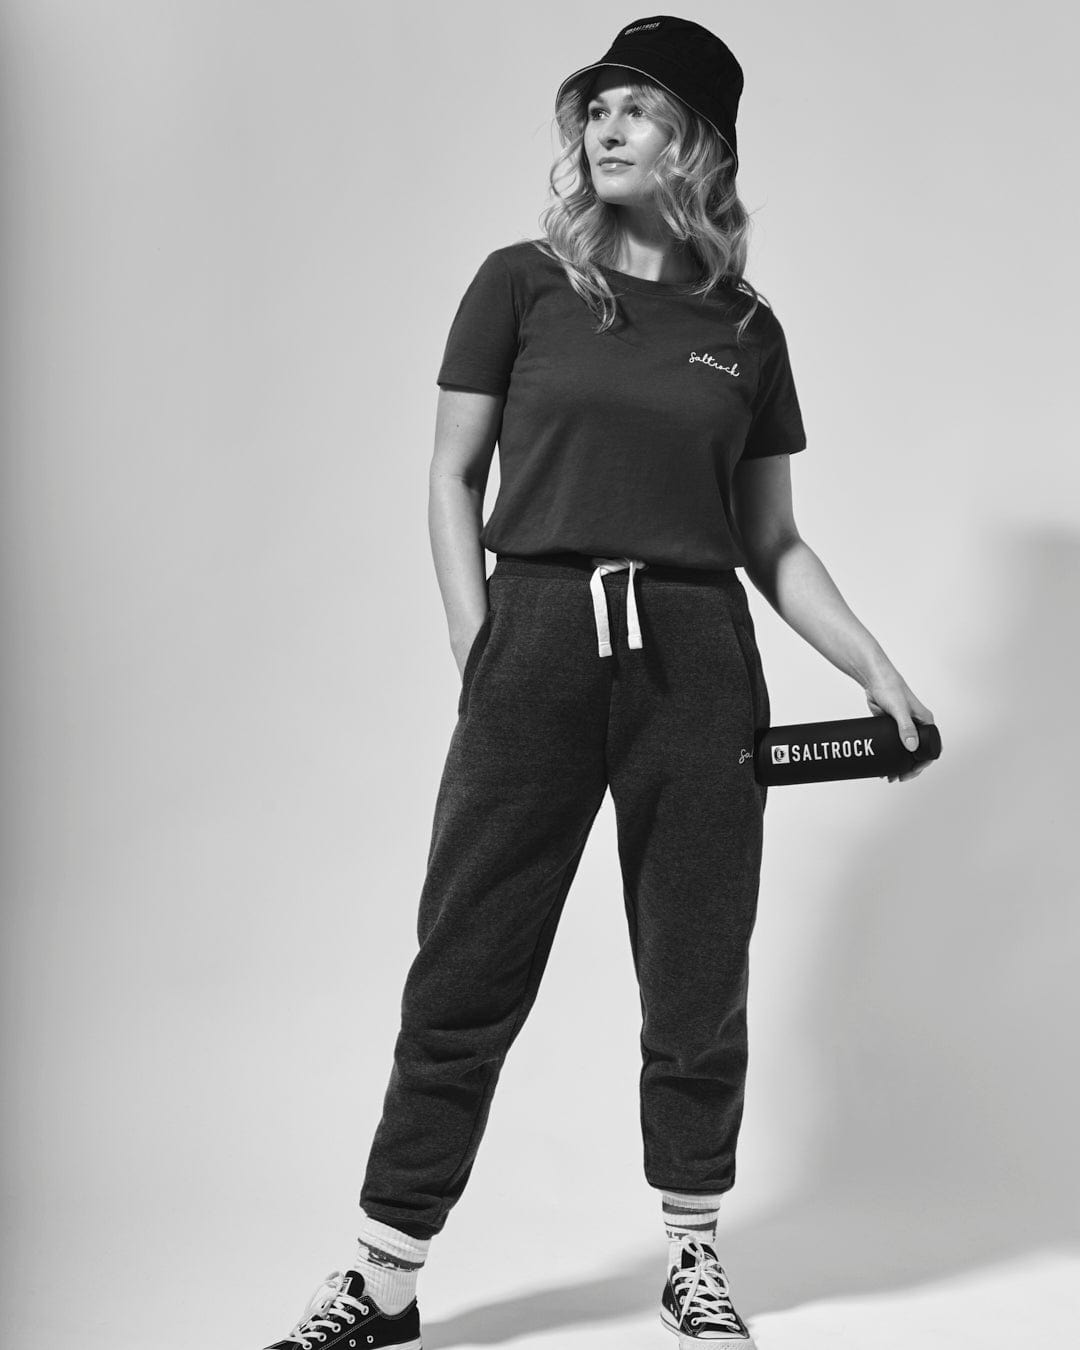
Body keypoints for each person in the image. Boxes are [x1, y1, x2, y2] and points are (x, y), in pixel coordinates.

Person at [261, 15, 936, 1350]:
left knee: (696, 968)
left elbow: (773, 541)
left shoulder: (745, 329)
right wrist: (482, 641)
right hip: (539, 636)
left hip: (697, 655)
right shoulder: (520, 283)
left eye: (642, 109)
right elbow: (454, 474)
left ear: (700, 142)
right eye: (596, 108)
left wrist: (878, 669)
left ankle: (692, 1258)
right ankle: (383, 1279)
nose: (607, 129)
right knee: (466, 960)